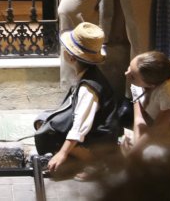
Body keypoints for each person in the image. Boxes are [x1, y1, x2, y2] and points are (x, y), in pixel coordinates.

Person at [35, 22, 122, 178]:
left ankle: (97, 162)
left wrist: (62, 153)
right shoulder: (87, 75)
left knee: (50, 134)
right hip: (92, 132)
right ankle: (77, 156)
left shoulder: (89, 88)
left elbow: (80, 126)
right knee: (42, 122)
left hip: (100, 140)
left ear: (71, 57)